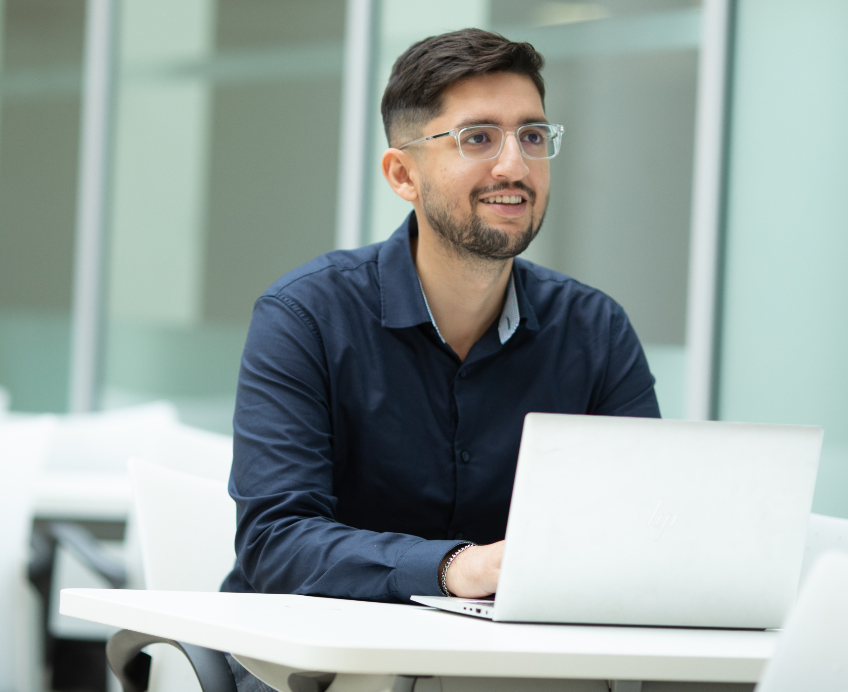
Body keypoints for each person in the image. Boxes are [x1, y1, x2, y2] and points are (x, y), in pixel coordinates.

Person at [221, 28, 659, 609]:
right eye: (478, 138)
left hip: (514, 659)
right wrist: (457, 567)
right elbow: (276, 541)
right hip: (327, 659)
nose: (515, 166)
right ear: (404, 175)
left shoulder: (595, 330)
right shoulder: (306, 318)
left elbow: (645, 530)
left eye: (532, 136)